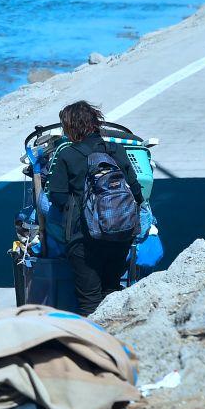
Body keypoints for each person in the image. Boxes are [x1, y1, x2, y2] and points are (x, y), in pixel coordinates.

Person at [46, 101, 143, 316]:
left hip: (84, 238)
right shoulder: (116, 150)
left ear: (71, 127)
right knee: (112, 291)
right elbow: (137, 192)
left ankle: (93, 334)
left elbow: (58, 197)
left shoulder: (67, 155)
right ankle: (116, 332)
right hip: (120, 234)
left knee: (89, 301)